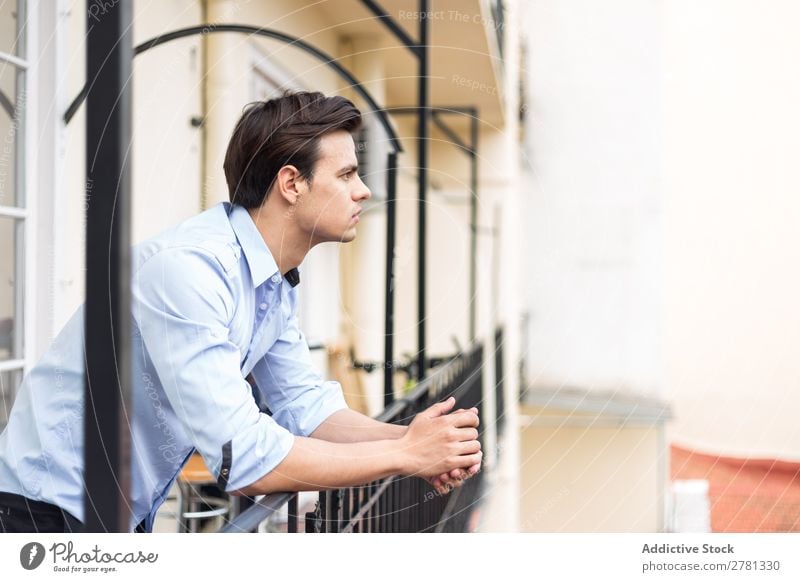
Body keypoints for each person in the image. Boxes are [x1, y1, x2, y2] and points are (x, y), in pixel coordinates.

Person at [0, 91, 481, 533]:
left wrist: (418, 442)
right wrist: (403, 454)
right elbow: (245, 459)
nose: (364, 191)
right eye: (346, 174)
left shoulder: (270, 279)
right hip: (41, 513)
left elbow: (306, 406)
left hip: (114, 513)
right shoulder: (191, 271)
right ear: (291, 183)